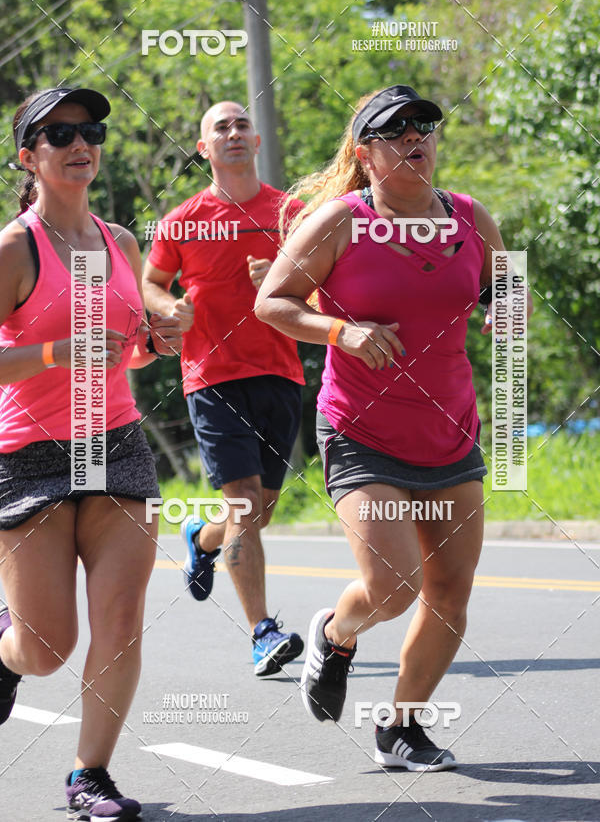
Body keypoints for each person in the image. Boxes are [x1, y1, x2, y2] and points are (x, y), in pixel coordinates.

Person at [255, 84, 533, 769]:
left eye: (425, 128)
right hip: (362, 430)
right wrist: (341, 333)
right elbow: (272, 304)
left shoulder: (471, 217)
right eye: (396, 130)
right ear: (365, 153)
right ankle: (336, 631)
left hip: (450, 431)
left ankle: (401, 727)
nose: (416, 138)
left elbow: (508, 287)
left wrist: (508, 312)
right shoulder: (338, 222)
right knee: (394, 584)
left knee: (449, 596)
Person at [0, 86, 182, 820]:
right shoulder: (14, 248)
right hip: (29, 455)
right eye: (60, 134)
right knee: (46, 647)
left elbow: (129, 352)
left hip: (116, 445)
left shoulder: (120, 244)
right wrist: (54, 350)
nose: (82, 144)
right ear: (29, 157)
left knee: (121, 617)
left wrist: (157, 343)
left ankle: (91, 776)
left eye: (91, 131)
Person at [142, 100, 306, 677]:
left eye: (242, 125)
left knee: (258, 509)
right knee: (243, 501)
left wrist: (287, 281)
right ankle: (263, 632)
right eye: (221, 128)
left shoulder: (294, 213)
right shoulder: (182, 220)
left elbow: (324, 292)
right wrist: (171, 310)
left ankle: (201, 539)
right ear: (203, 148)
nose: (233, 133)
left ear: (257, 142)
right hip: (211, 376)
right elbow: (151, 283)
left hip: (280, 374)